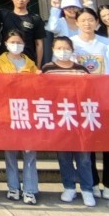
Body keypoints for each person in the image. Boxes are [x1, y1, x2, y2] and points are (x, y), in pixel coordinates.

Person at [71, 7, 109, 200]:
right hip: (82, 101)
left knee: (108, 143)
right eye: (83, 20)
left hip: (104, 99)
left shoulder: (105, 43)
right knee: (87, 145)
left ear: (97, 22)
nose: (87, 23)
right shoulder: (72, 43)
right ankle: (91, 182)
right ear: (77, 22)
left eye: (91, 20)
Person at [41, 36, 95, 207]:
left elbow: (89, 93)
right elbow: (42, 92)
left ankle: (87, 189)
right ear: (53, 49)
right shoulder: (48, 69)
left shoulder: (81, 70)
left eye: (66, 48)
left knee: (84, 157)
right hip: (59, 118)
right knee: (64, 156)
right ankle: (69, 187)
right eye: (59, 48)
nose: (63, 51)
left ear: (72, 50)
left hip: (79, 119)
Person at [0, 30, 40, 205]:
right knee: (10, 153)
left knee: (29, 153)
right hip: (7, 112)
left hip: (27, 112)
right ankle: (13, 187)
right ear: (5, 44)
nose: (16, 45)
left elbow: (37, 88)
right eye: (12, 42)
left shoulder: (31, 64)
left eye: (19, 42)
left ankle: (30, 190)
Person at [0, 0, 46, 65]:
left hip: (27, 62)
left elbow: (39, 44)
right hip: (5, 62)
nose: (20, 0)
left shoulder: (35, 18)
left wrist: (38, 65)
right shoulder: (4, 14)